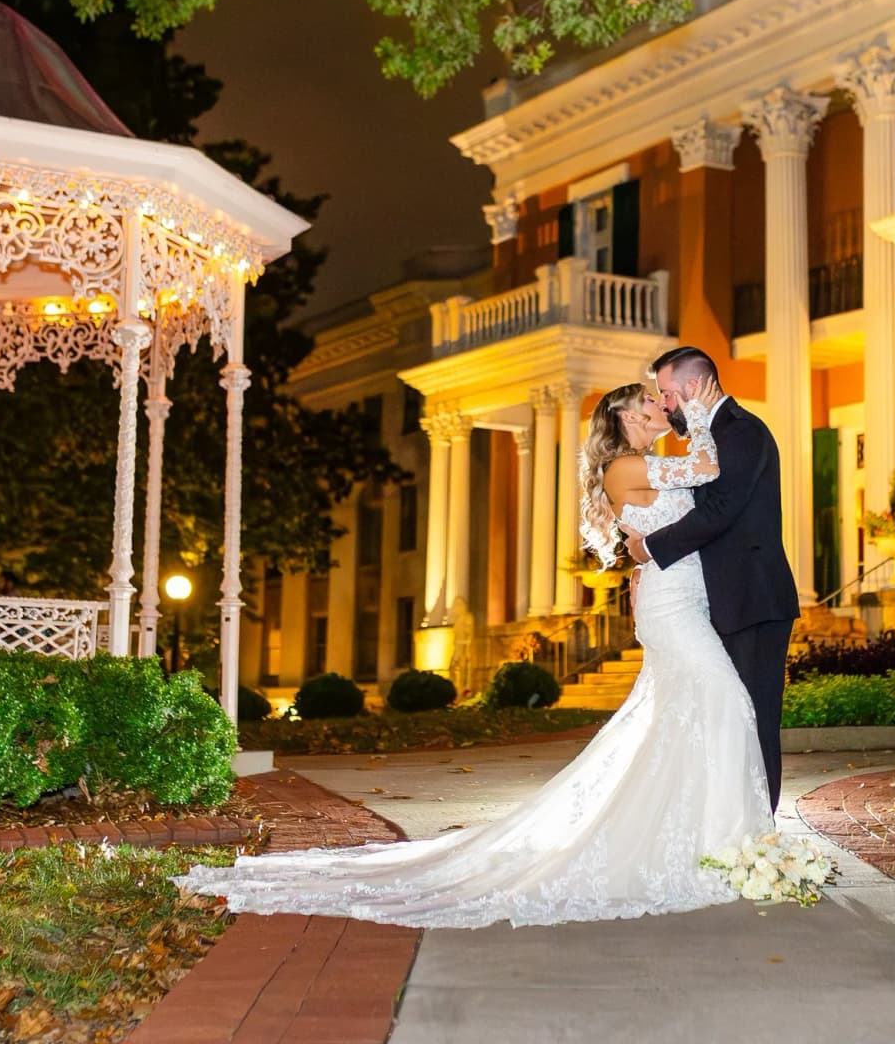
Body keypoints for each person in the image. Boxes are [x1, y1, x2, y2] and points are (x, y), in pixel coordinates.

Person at [172, 382, 771, 928]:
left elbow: (702, 495)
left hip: (682, 597)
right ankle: (718, 837)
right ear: (619, 416)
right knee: (723, 700)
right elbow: (709, 467)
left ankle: (701, 834)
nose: (655, 408)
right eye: (646, 402)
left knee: (689, 714)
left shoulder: (644, 462)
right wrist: (696, 405)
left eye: (656, 401)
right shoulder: (626, 466)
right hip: (672, 606)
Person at [623, 346, 799, 810]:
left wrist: (651, 549)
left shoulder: (742, 432)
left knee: (755, 719)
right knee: (727, 718)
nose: (664, 405)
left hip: (754, 601)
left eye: (667, 394)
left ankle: (761, 833)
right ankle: (730, 823)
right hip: (715, 602)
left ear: (692, 387)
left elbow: (719, 511)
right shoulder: (706, 437)